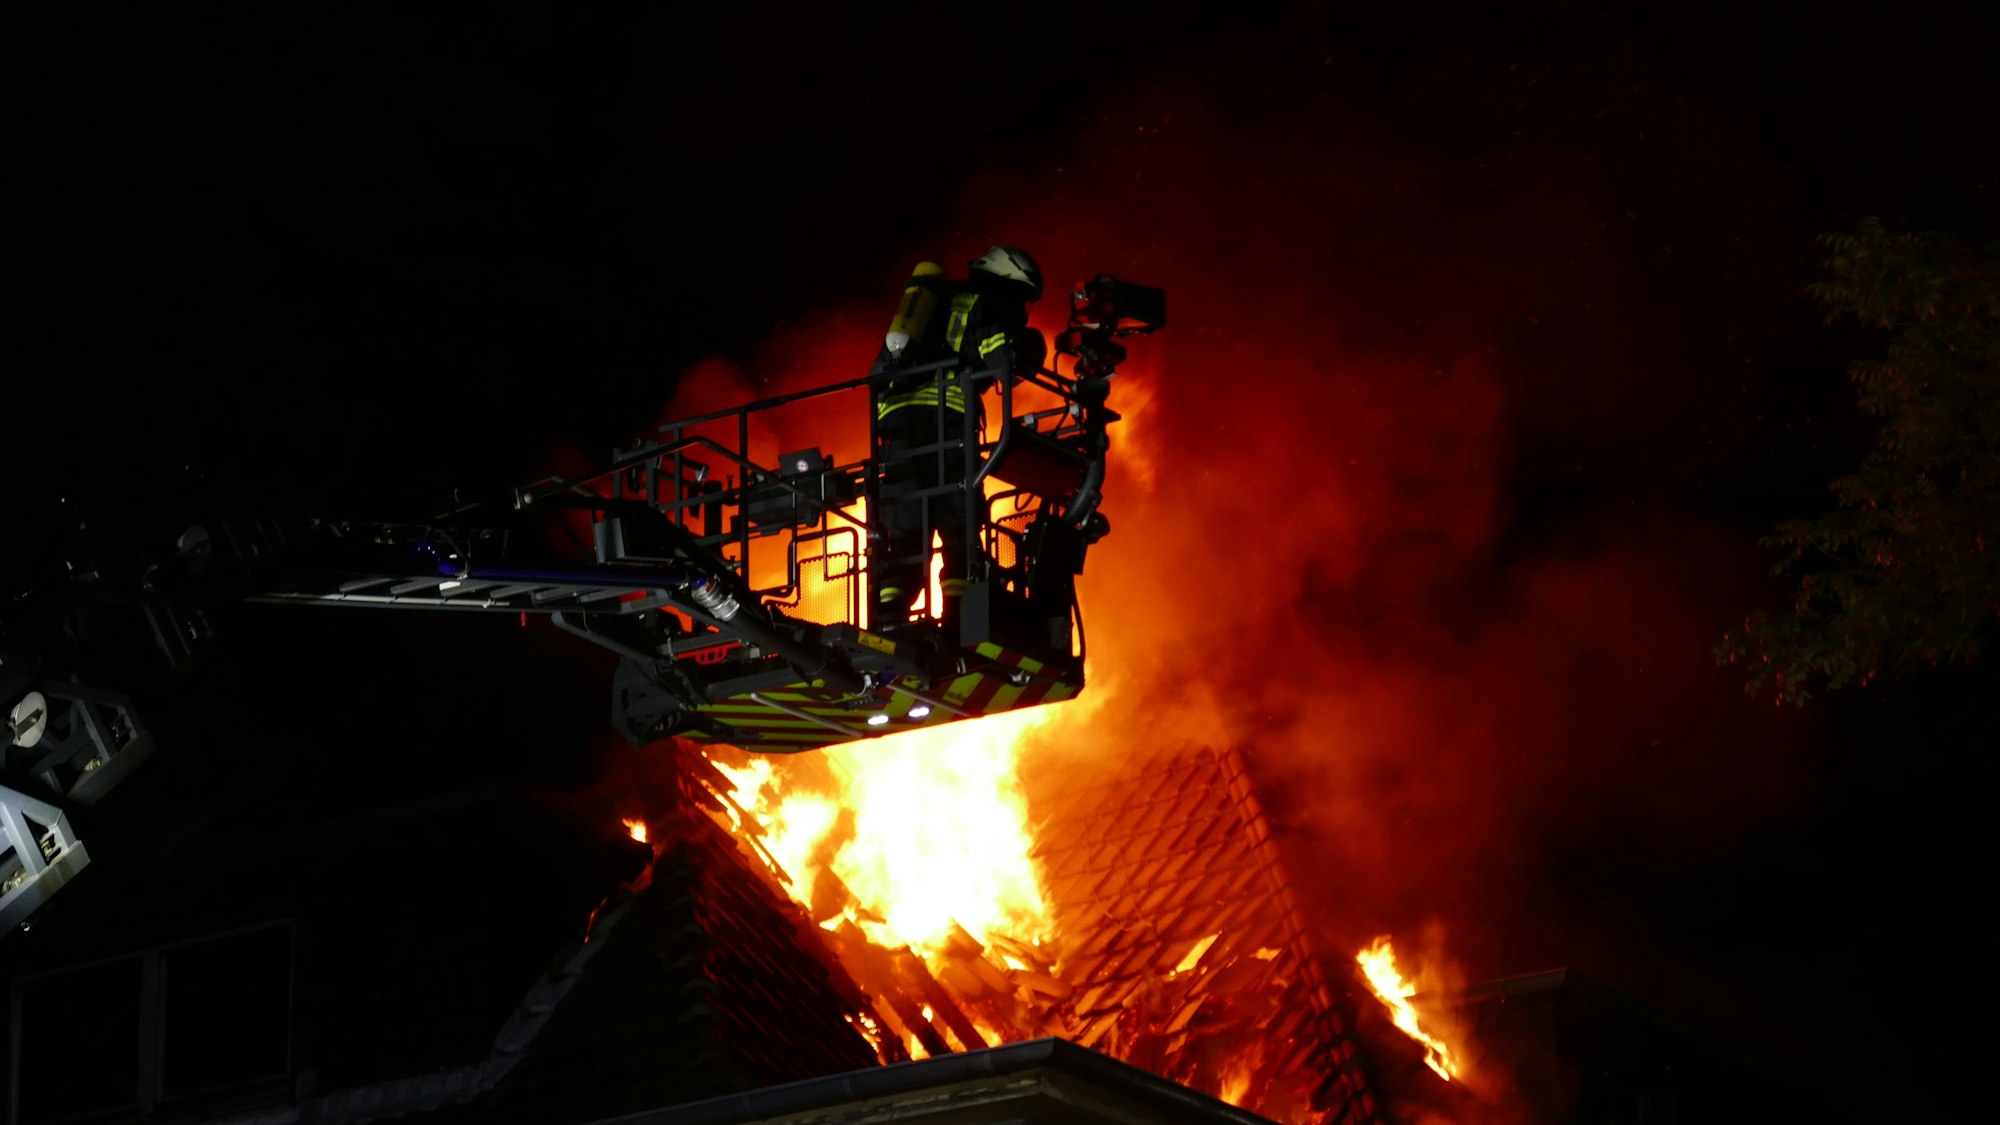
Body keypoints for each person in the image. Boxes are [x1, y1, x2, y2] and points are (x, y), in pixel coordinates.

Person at [870, 245, 1047, 628]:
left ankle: (888, 621)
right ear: (1011, 279)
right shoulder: (993, 300)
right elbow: (1001, 357)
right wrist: (1029, 351)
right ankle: (956, 623)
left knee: (905, 534)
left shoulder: (932, 303)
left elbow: (878, 373)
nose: (1024, 308)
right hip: (946, 421)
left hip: (898, 426)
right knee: (957, 527)